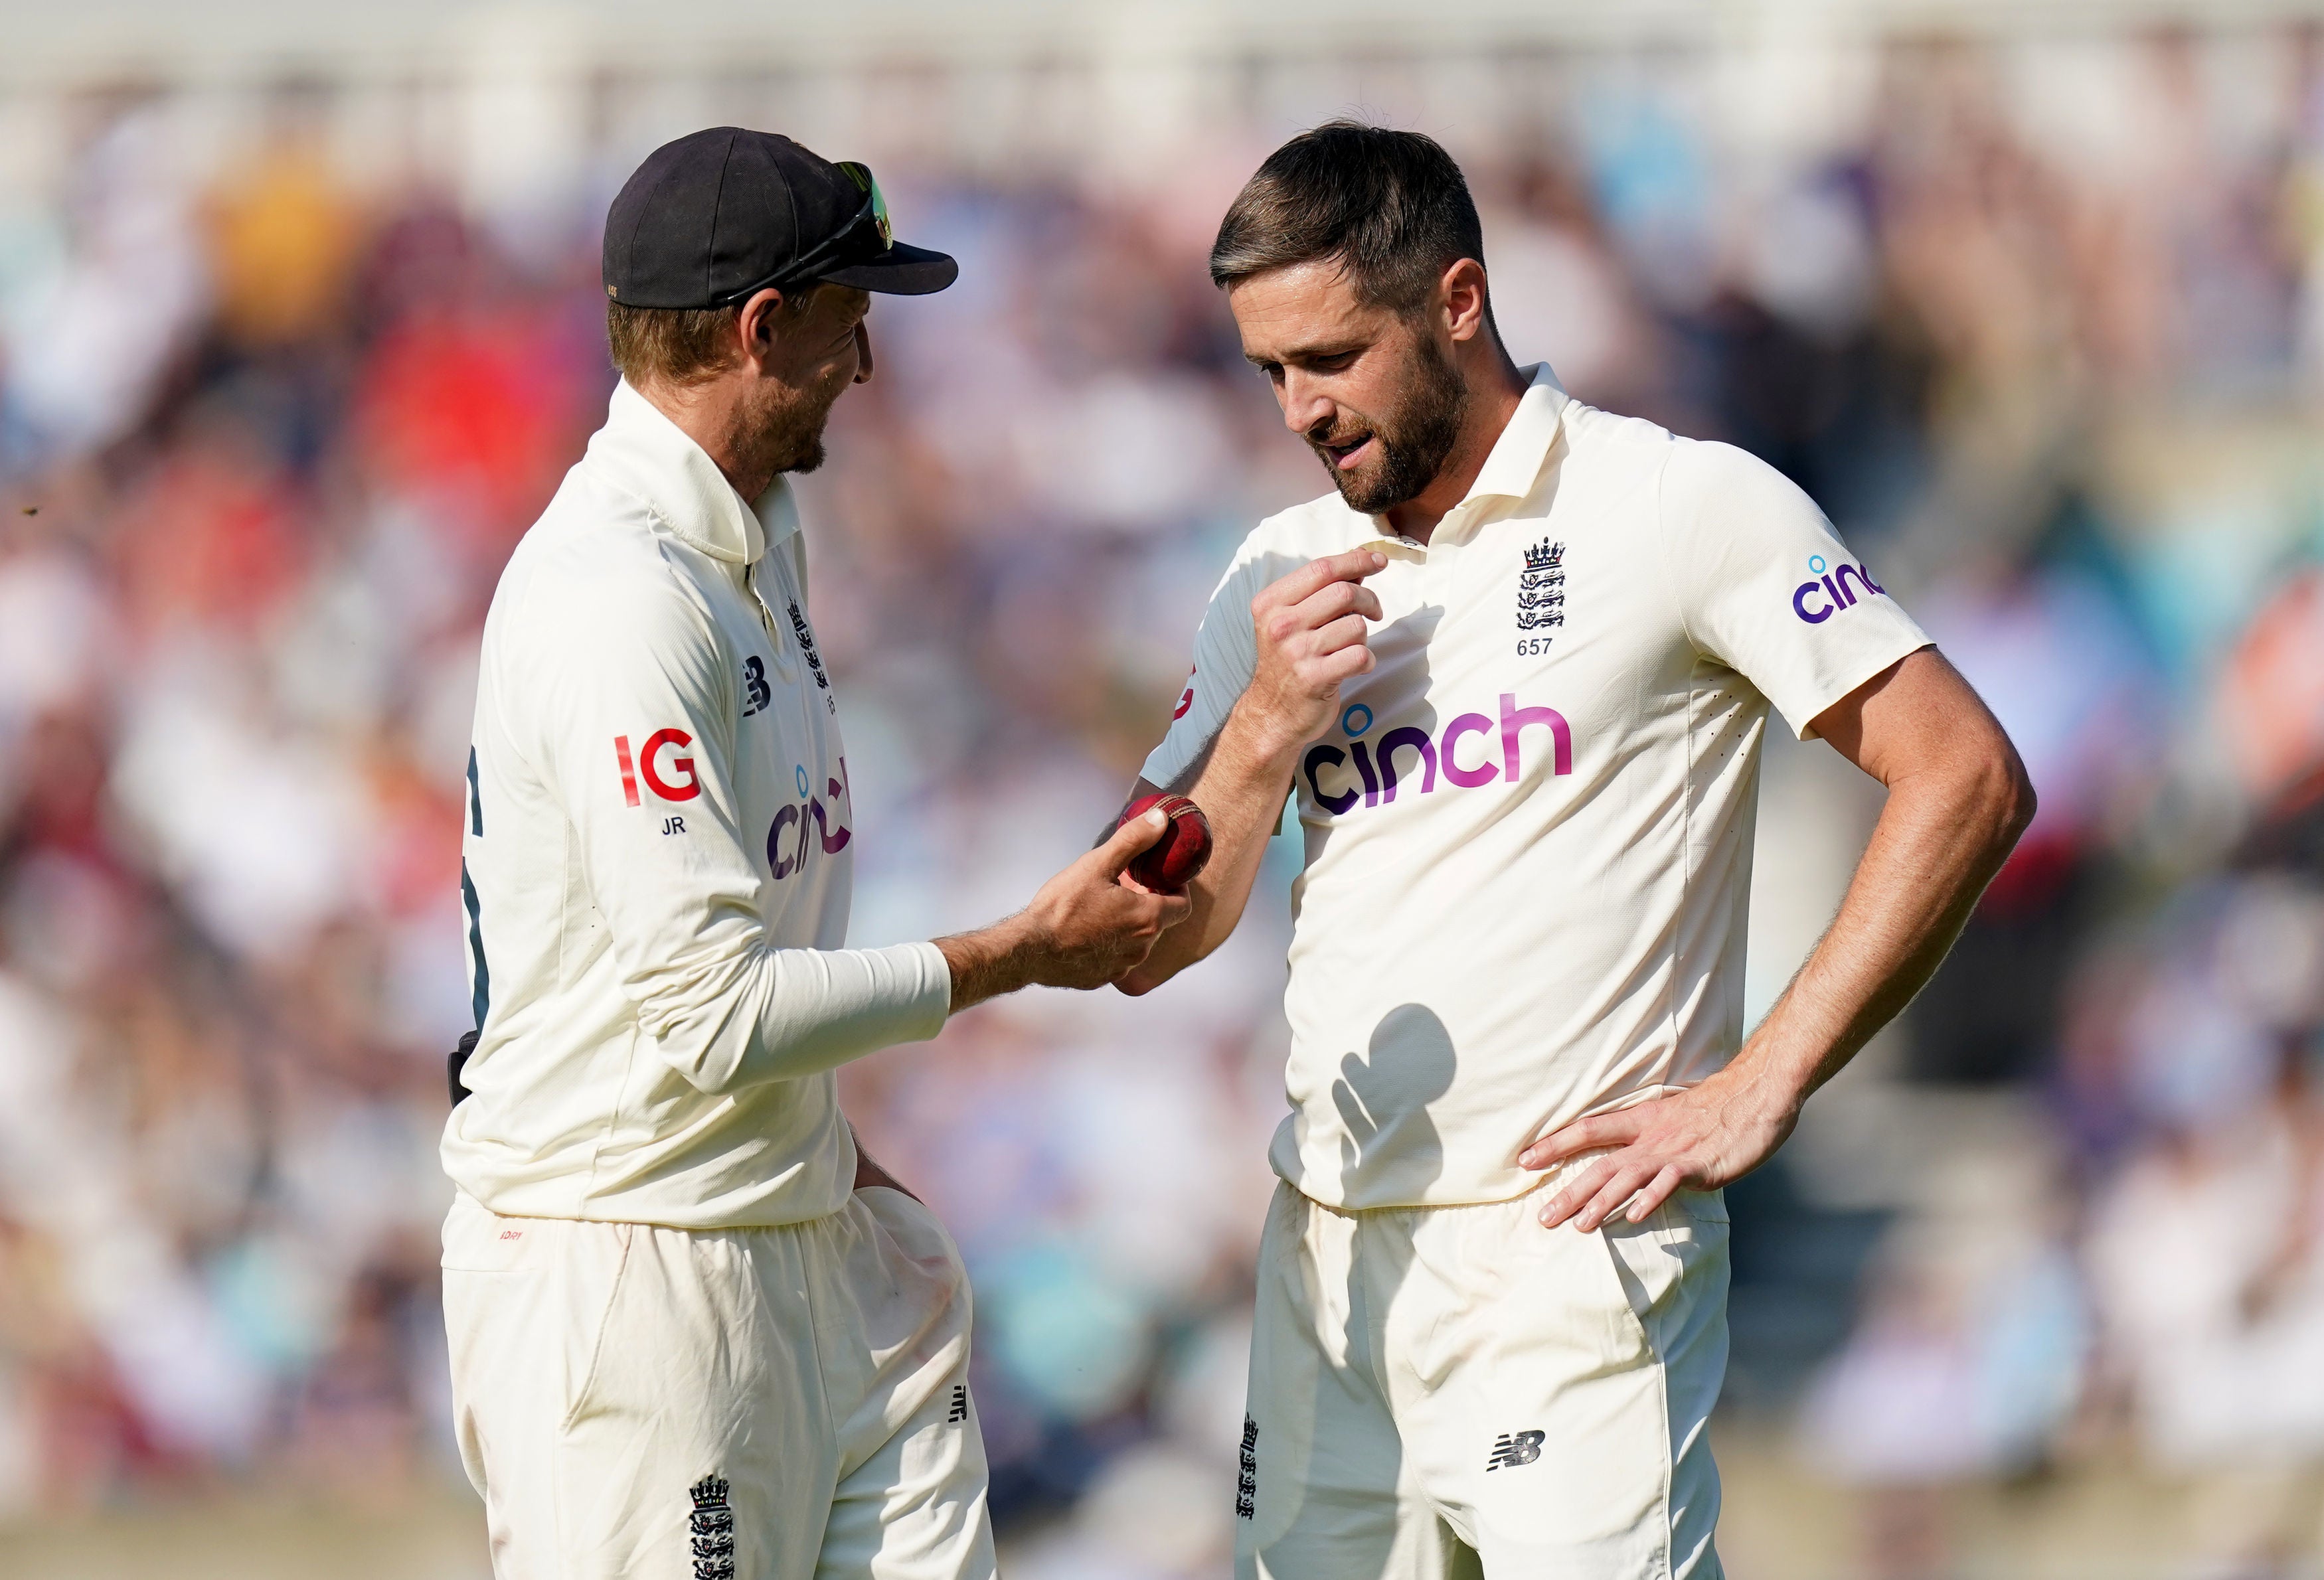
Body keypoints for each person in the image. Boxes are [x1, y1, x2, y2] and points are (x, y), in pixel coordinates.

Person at [1120, 122, 2034, 1579]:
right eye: (1268, 371)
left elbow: (1965, 772)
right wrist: (1259, 732)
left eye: (1333, 358)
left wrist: (1764, 1078)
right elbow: (1145, 935)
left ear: (1459, 300)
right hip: (1331, 1260)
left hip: (1568, 1248)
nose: (1297, 407)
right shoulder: (1272, 574)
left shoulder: (1681, 503)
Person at [441, 128, 1188, 1580]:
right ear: (759, 327)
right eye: (853, 319)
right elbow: (714, 1015)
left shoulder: (751, 540)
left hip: (792, 1232)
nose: (869, 360)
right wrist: (1021, 954)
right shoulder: (618, 599)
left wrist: (834, 1157)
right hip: (630, 1268)